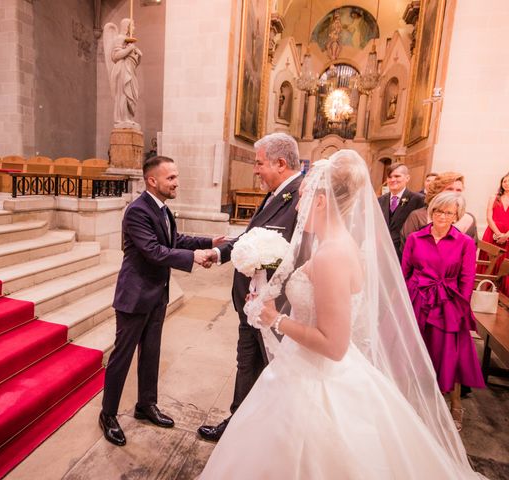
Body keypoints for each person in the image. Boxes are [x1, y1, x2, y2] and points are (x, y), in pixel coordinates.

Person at [200, 150, 482, 479]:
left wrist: (274, 318)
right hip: (300, 366)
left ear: (320, 202)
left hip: (316, 379)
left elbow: (334, 344)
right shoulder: (333, 243)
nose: (296, 207)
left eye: (302, 198)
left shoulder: (332, 254)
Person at [99, 155, 224, 446]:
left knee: (152, 353)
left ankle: (146, 405)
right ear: (152, 181)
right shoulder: (137, 211)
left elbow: (174, 240)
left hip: (157, 294)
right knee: (122, 357)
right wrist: (193, 257)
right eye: (171, 178)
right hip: (135, 295)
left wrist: (208, 243)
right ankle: (108, 414)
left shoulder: (163, 210)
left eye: (176, 176)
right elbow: (155, 251)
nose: (176, 182)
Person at [197, 132, 303, 443]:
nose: (255, 170)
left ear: (280, 163)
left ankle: (269, 434)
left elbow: (300, 255)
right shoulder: (274, 194)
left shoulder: (301, 198)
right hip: (249, 304)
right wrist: (218, 253)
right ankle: (237, 424)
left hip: (275, 308)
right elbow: (251, 238)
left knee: (274, 369)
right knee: (246, 363)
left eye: (259, 163)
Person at [402, 191, 485, 432]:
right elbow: (404, 271)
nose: (442, 215)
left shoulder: (465, 243)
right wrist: (404, 300)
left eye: (449, 212)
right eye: (438, 210)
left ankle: (455, 405)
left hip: (447, 303)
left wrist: (460, 306)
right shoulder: (416, 238)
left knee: (450, 355)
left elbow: (468, 278)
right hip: (417, 298)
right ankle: (409, 401)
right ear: (432, 211)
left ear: (457, 215)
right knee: (413, 351)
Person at [401, 172, 478, 250]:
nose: (454, 193)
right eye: (450, 189)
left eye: (458, 190)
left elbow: (470, 250)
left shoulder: (468, 220)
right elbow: (407, 247)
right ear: (438, 191)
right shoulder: (418, 216)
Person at [377, 163, 424, 260]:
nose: (393, 180)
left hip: (405, 254)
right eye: (390, 177)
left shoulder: (418, 200)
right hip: (382, 253)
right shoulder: (380, 200)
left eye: (397, 176)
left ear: (407, 178)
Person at [103, 18, 142, 127]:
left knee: (129, 95)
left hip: (130, 70)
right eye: (133, 25)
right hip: (122, 69)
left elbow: (134, 63)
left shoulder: (129, 42)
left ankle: (127, 118)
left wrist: (138, 56)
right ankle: (122, 119)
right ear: (127, 27)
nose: (134, 28)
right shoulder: (120, 38)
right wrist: (130, 49)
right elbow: (115, 56)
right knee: (123, 94)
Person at [478, 171, 509, 295]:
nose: (506, 184)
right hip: (492, 233)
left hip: (508, 235)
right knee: (488, 261)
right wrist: (497, 233)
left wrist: (506, 235)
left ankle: (501, 293)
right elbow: (489, 217)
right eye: (505, 181)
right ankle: (483, 291)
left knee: (504, 263)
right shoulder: (494, 197)